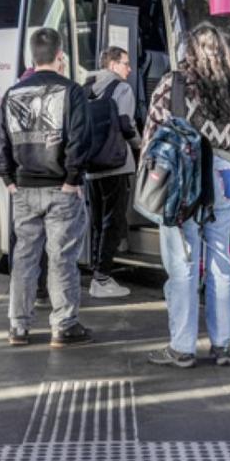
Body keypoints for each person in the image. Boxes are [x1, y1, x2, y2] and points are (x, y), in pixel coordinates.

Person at [145, 24, 230, 369]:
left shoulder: (174, 84)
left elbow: (154, 133)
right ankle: (223, 346)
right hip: (224, 176)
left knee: (183, 263)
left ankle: (182, 347)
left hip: (184, 178)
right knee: (221, 259)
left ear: (189, 50)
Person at [0, 27, 92, 348]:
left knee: (24, 257)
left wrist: (8, 179)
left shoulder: (13, 93)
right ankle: (63, 325)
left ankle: (18, 327)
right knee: (61, 257)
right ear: (60, 56)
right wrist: (72, 180)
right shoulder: (72, 92)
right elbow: (81, 140)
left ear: (33, 58)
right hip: (60, 189)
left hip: (22, 189)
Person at [85, 46, 140, 299]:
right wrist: (140, 145)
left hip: (92, 167)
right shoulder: (121, 88)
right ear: (113, 65)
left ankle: (96, 271)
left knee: (97, 221)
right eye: (126, 63)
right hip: (116, 164)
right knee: (114, 221)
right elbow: (126, 124)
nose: (129, 69)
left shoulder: (86, 87)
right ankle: (103, 277)